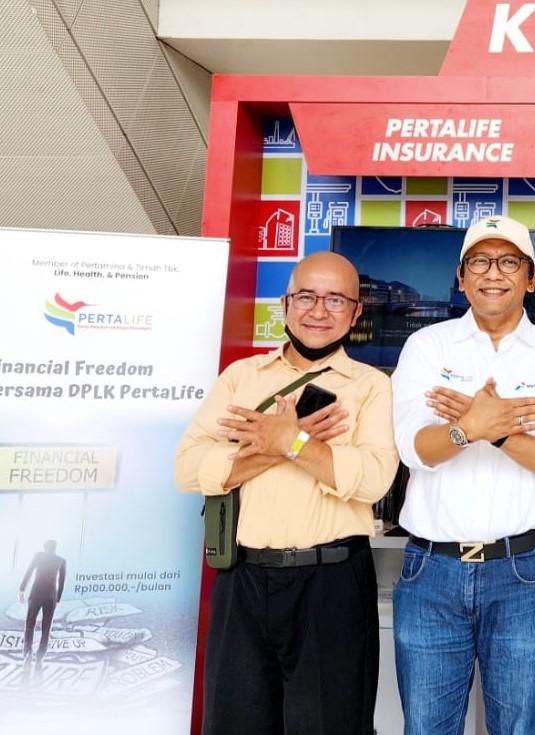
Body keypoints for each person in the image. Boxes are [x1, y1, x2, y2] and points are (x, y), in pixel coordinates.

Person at [174, 251, 399, 735]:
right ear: (285, 304)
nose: (319, 311)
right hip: (242, 580)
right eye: (306, 297)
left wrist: (291, 441)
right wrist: (283, 446)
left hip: (331, 584)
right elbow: (188, 467)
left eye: (335, 300)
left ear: (356, 313)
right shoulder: (242, 378)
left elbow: (373, 478)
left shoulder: (371, 387)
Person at [390, 215, 535, 735]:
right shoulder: (427, 347)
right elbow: (414, 449)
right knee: (427, 727)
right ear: (461, 278)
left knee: (522, 726)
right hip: (432, 570)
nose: (493, 273)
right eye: (479, 261)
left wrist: (494, 433)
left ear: (531, 278)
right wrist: (469, 429)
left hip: (523, 570)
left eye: (508, 261)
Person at [18, 540, 66, 663]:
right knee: (46, 626)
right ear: (55, 548)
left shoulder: (38, 556)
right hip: (51, 596)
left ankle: (27, 652)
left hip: (36, 593)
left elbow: (29, 572)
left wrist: (22, 589)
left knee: (30, 623)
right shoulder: (61, 560)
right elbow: (61, 582)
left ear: (45, 547)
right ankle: (41, 654)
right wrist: (58, 599)